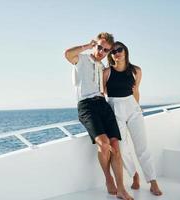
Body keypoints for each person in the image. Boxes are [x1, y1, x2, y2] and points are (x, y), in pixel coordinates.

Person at [64, 33, 133, 200]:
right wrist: (88, 46)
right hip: (86, 106)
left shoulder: (102, 67)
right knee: (104, 143)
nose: (102, 51)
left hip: (103, 104)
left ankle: (121, 189)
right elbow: (67, 54)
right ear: (95, 45)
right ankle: (108, 179)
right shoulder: (80, 59)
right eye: (100, 47)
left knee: (115, 145)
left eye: (106, 50)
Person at [103, 41, 163, 196]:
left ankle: (152, 181)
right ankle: (134, 175)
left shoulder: (136, 71)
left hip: (133, 107)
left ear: (125, 51)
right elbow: (103, 94)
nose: (117, 53)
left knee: (142, 146)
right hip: (115, 109)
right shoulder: (106, 72)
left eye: (119, 49)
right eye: (113, 51)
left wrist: (137, 106)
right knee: (122, 149)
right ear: (111, 56)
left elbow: (136, 91)